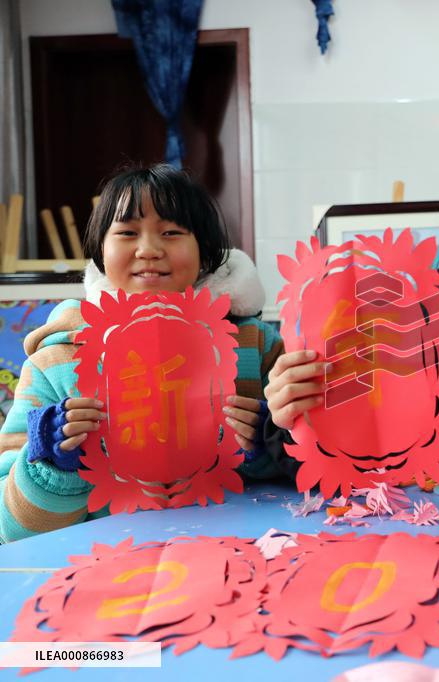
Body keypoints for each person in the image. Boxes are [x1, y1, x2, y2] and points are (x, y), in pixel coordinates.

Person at [0, 164, 288, 542]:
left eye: (171, 232)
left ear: (205, 252)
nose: (149, 249)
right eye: (127, 232)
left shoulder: (255, 345)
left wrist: (269, 440)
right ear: (101, 251)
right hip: (99, 568)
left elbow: (302, 474)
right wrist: (53, 462)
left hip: (237, 557)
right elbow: (13, 530)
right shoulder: (58, 360)